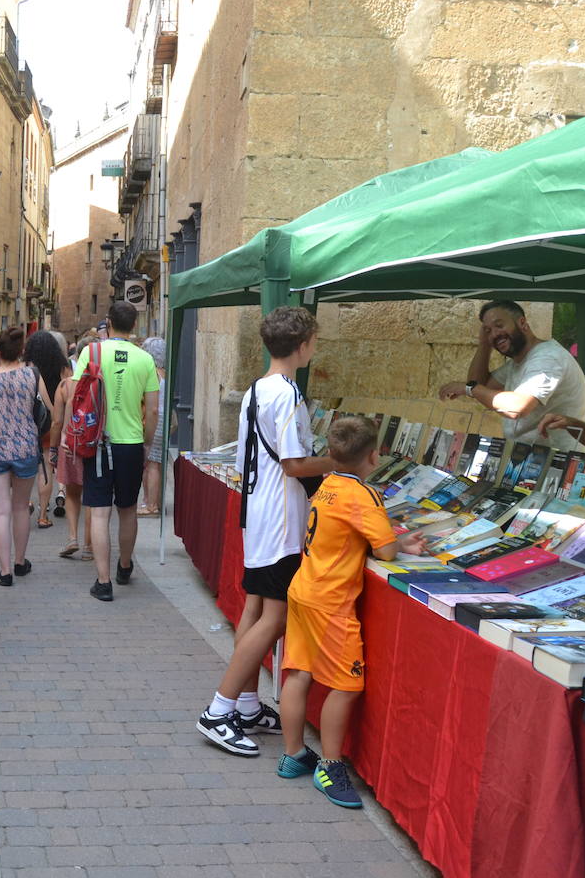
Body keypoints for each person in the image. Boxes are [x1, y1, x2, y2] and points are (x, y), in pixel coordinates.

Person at [196, 306, 333, 756]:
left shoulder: (257, 389)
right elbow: (294, 464)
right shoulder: (289, 394)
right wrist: (338, 461)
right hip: (280, 520)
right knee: (273, 617)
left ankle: (248, 705)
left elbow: (244, 459)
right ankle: (219, 709)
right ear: (303, 346)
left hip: (258, 513)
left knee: (255, 610)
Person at [277, 417, 426, 807]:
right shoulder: (364, 495)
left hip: (303, 588)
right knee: (346, 685)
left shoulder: (327, 484)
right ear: (374, 456)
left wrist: (397, 543)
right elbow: (385, 550)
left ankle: (293, 754)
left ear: (330, 453)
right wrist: (400, 544)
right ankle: (330, 766)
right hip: (331, 602)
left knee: (299, 672)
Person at [72, 302, 159, 602]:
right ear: (134, 325)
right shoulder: (145, 359)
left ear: (108, 322)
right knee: (128, 509)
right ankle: (124, 566)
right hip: (131, 444)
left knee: (99, 513)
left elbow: (75, 397)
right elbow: (153, 410)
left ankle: (103, 581)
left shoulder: (92, 352)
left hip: (98, 442)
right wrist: (146, 443)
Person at [436, 300, 585, 451]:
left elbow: (518, 407)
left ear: (522, 323)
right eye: (488, 331)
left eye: (499, 325)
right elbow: (479, 385)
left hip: (558, 460)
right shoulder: (519, 362)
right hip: (528, 456)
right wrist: (484, 344)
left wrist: (468, 388)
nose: (494, 334)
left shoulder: (548, 358)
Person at [0, 328, 52, 586]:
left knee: (0, 511)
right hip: (25, 448)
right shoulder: (32, 375)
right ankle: (20, 562)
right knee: (21, 507)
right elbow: (49, 410)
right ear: (21, 351)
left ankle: (5, 571)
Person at [52, 335, 95, 560]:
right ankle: (89, 546)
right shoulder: (102, 383)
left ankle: (72, 538)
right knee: (92, 496)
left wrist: (54, 448)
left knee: (72, 492)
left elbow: (57, 421)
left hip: (69, 443)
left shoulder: (65, 385)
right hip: (93, 443)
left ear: (77, 356)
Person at [24, 330, 69, 529]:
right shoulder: (63, 368)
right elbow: (69, 395)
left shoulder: (26, 367)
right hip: (52, 422)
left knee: (26, 469)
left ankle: (27, 501)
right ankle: (43, 515)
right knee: (46, 468)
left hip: (28, 422)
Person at [139, 337, 169, 517]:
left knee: (151, 464)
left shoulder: (153, 374)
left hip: (155, 418)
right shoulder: (164, 373)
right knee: (155, 463)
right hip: (163, 418)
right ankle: (152, 501)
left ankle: (151, 505)